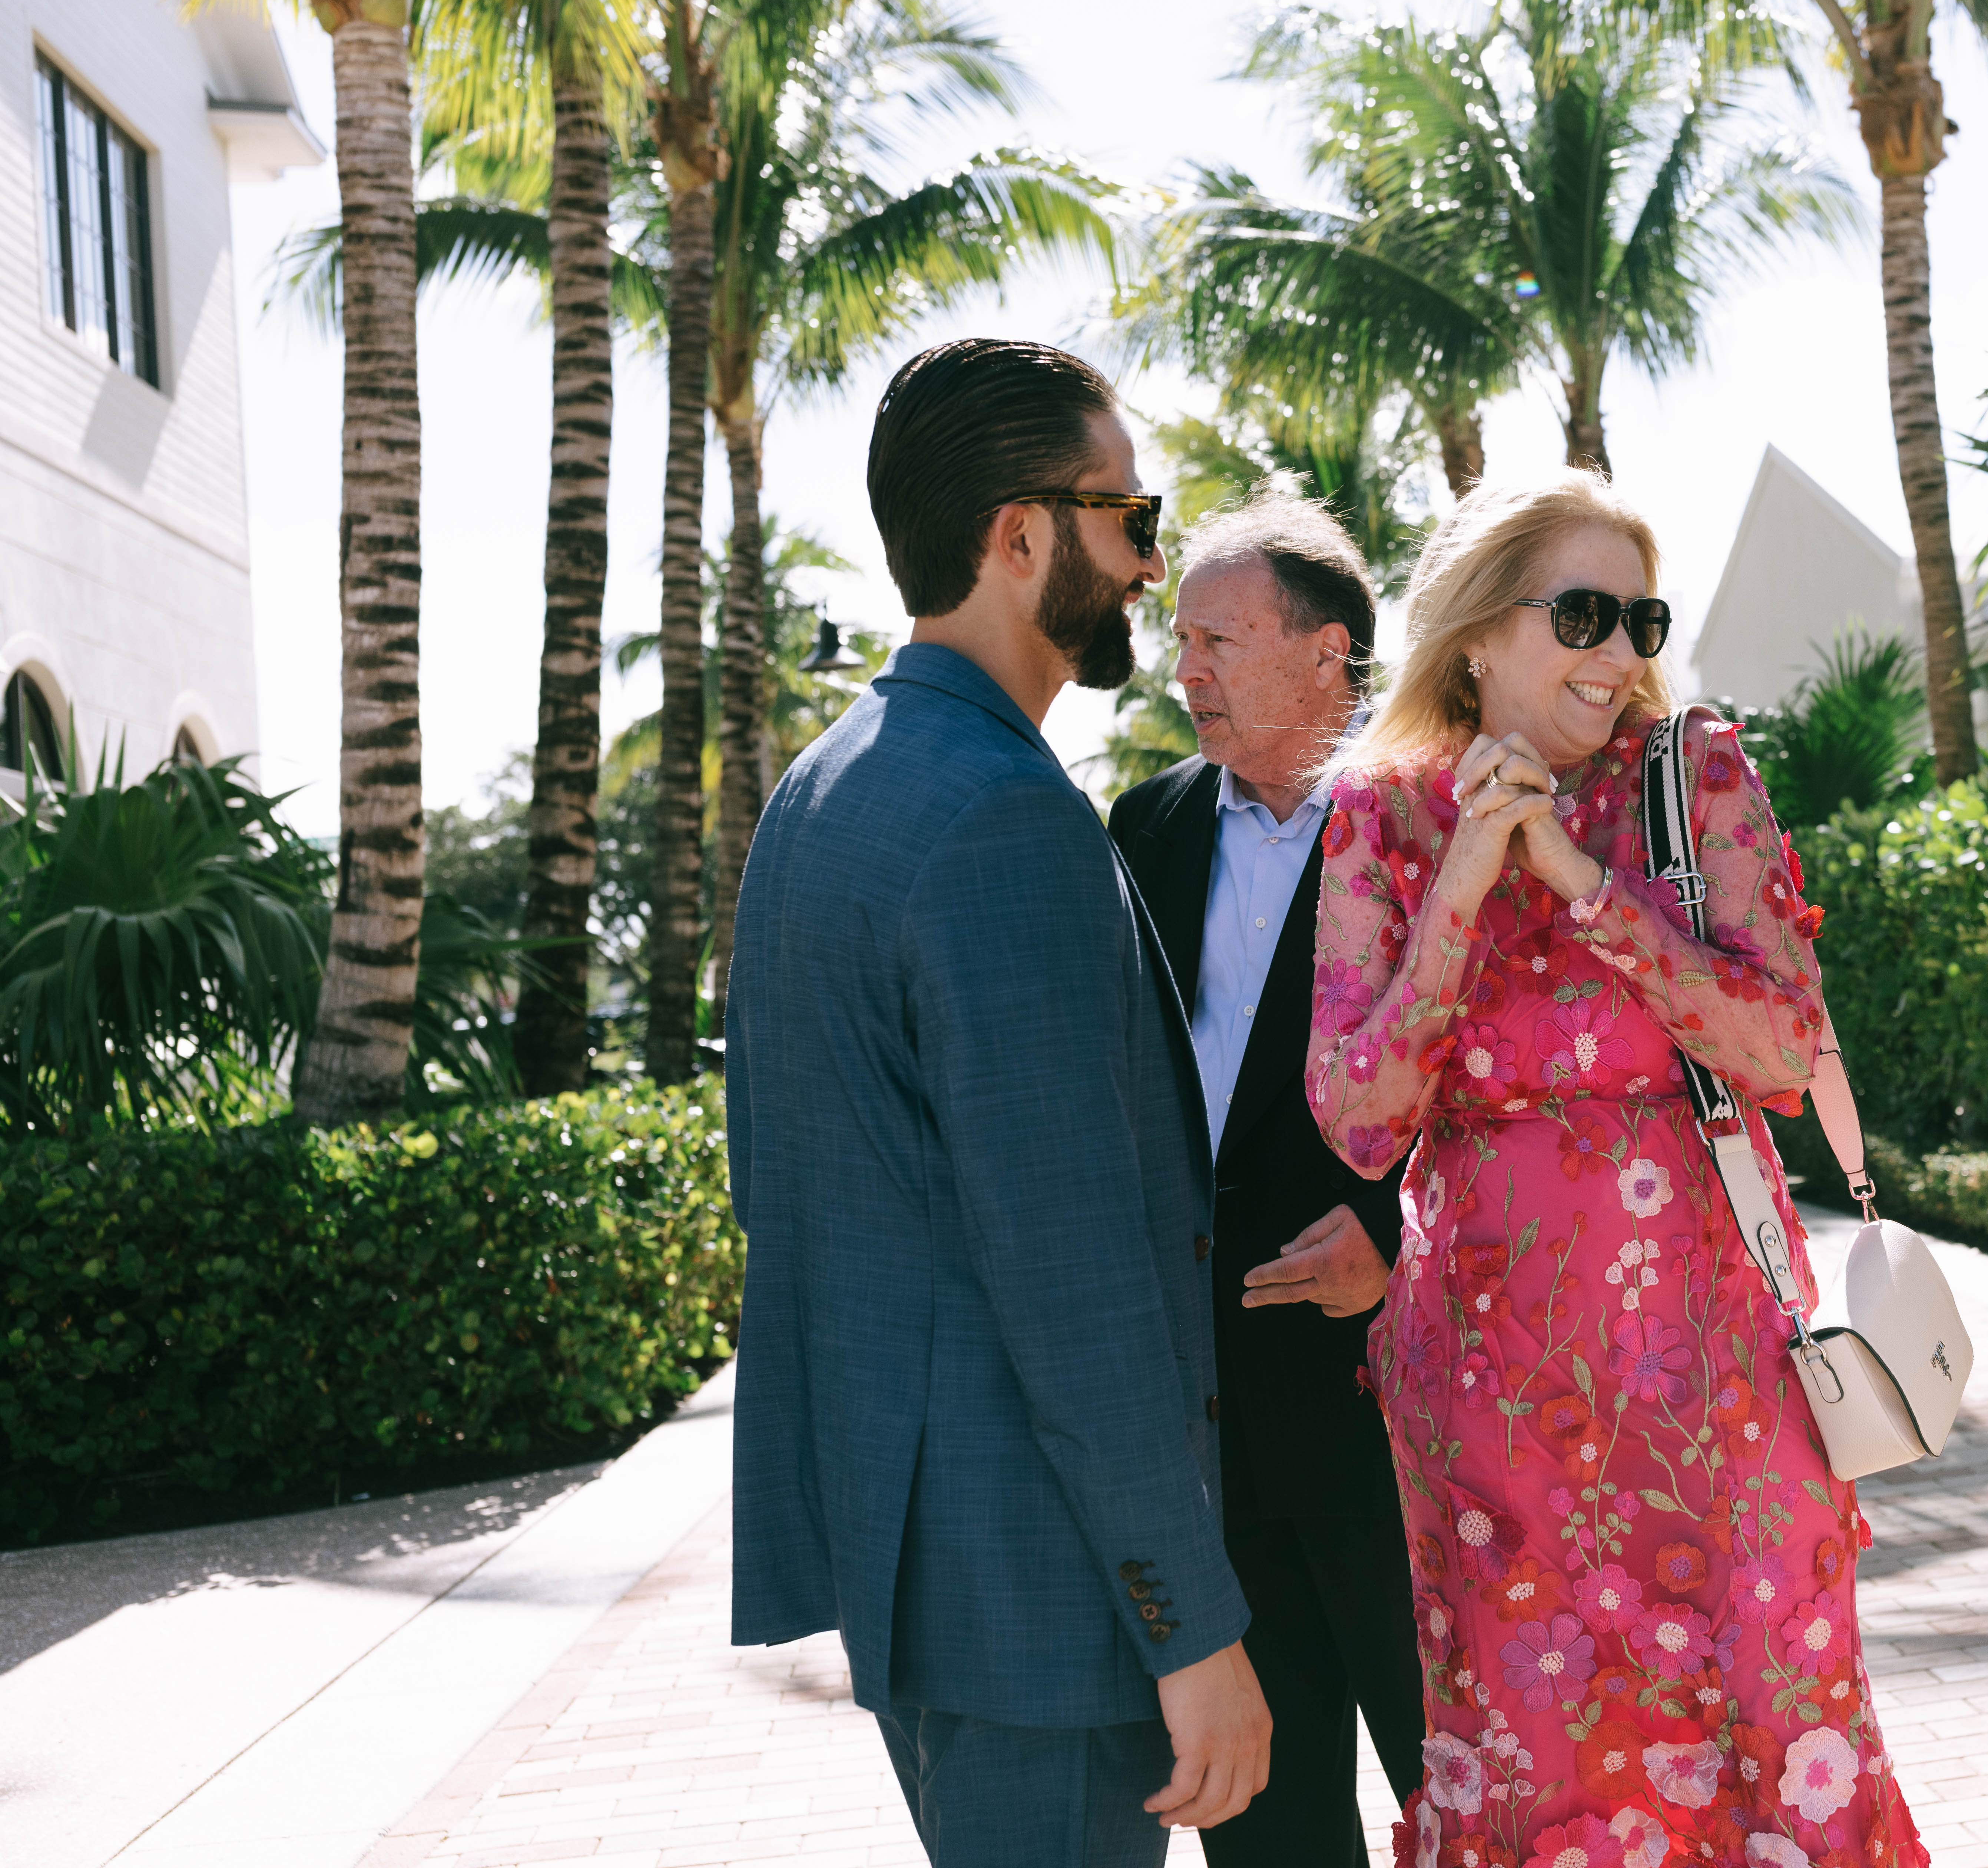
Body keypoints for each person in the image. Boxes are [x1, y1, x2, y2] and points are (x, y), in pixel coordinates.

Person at [1305, 471, 1927, 1868]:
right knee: (1544, 1763)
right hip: (1492, 1402)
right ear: (1475, 632)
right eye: (1582, 614)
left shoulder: (1693, 779)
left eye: (1640, 618)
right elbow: (1356, 1118)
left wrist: (1585, 889)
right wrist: (1464, 887)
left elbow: (1784, 1048)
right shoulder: (1383, 819)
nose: (1620, 653)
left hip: (1720, 1378)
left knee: (1777, 1731)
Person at [725, 339, 1272, 1868]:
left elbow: (773, 1181)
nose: (1153, 564)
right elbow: (1076, 1277)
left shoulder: (827, 787)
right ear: (1019, 535)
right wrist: (1191, 1630)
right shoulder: (1005, 821)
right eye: (1131, 516)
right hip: (1049, 1601)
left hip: (931, 1576)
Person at [1107, 494, 1427, 1865]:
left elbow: (1520, 1096)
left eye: (1219, 637)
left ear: (1328, 653)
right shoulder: (1143, 830)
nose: (1187, 669)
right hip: (1220, 1434)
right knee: (1275, 1838)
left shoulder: (1438, 817)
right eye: (1182, 638)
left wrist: (1396, 1250)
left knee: (1475, 1801)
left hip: (1407, 1427)